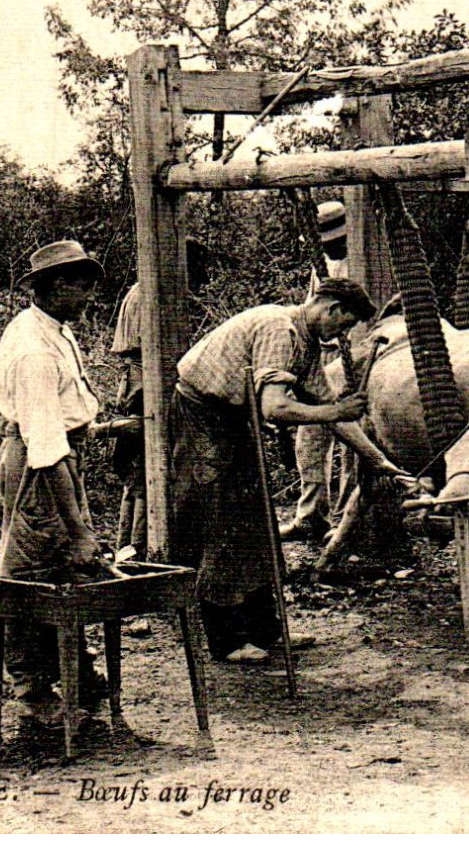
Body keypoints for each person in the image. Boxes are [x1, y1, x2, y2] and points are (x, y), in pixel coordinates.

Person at [168, 277, 412, 663]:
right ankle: (226, 640)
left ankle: (267, 629)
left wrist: (379, 461)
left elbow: (333, 412)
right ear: (331, 309)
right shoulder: (279, 330)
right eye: (344, 324)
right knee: (224, 524)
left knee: (258, 522)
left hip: (232, 420)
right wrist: (333, 411)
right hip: (202, 417)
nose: (342, 334)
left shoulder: (306, 345)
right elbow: (275, 407)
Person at [0, 240, 120, 712]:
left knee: (65, 565)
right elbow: (46, 450)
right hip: (40, 466)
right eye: (82, 287)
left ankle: (75, 671)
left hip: (61, 455)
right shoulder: (33, 350)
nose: (89, 296)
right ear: (54, 286)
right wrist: (81, 527)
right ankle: (31, 686)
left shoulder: (55, 328)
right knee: (30, 571)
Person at [110, 238, 212, 554]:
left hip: (139, 382)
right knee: (147, 470)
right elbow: (154, 352)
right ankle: (140, 548)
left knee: (140, 473)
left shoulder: (145, 289)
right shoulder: (151, 295)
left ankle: (128, 544)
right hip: (144, 386)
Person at [280, 200, 353, 541]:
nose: (333, 244)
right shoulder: (320, 266)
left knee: (351, 440)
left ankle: (345, 518)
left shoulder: (363, 260)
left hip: (354, 355)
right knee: (310, 437)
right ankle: (311, 515)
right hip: (322, 357)